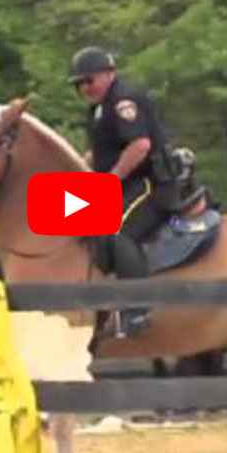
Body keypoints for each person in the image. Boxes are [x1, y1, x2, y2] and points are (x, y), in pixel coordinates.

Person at [69, 46, 184, 338]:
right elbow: (104, 151)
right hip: (126, 182)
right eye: (79, 83)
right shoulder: (99, 108)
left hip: (149, 183)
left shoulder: (123, 101)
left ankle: (138, 308)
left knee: (116, 229)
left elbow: (139, 146)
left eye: (90, 80)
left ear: (109, 75)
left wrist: (109, 181)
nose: (85, 87)